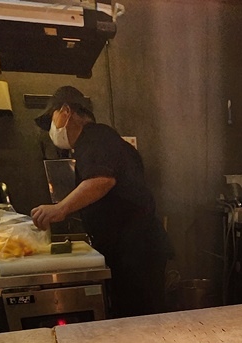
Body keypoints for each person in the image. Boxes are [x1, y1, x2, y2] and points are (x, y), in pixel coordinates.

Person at [31, 86, 173, 317]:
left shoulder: (96, 137)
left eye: (52, 118)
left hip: (135, 251)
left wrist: (60, 209)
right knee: (140, 318)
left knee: (141, 320)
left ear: (66, 111)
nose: (51, 128)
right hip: (135, 249)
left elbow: (102, 180)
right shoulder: (96, 142)